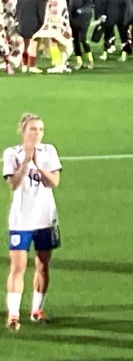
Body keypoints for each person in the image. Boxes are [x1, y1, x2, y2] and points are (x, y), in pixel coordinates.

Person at [4, 114, 61, 330]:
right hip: (21, 220)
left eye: (40, 129)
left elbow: (53, 182)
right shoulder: (12, 153)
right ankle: (13, 314)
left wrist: (38, 164)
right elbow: (14, 184)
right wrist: (26, 162)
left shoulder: (49, 151)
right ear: (23, 131)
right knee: (17, 267)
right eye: (33, 129)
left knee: (43, 265)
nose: (37, 133)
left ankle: (37, 310)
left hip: (45, 218)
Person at [29, 0, 73, 74]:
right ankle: (61, 64)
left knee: (54, 42)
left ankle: (58, 65)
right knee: (60, 43)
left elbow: (54, 10)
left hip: (56, 23)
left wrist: (53, 23)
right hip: (62, 23)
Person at [65, 0, 94, 70]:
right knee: (75, 40)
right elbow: (67, 1)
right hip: (73, 18)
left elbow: (89, 3)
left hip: (84, 18)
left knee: (83, 39)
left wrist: (82, 10)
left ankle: (90, 60)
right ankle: (79, 61)